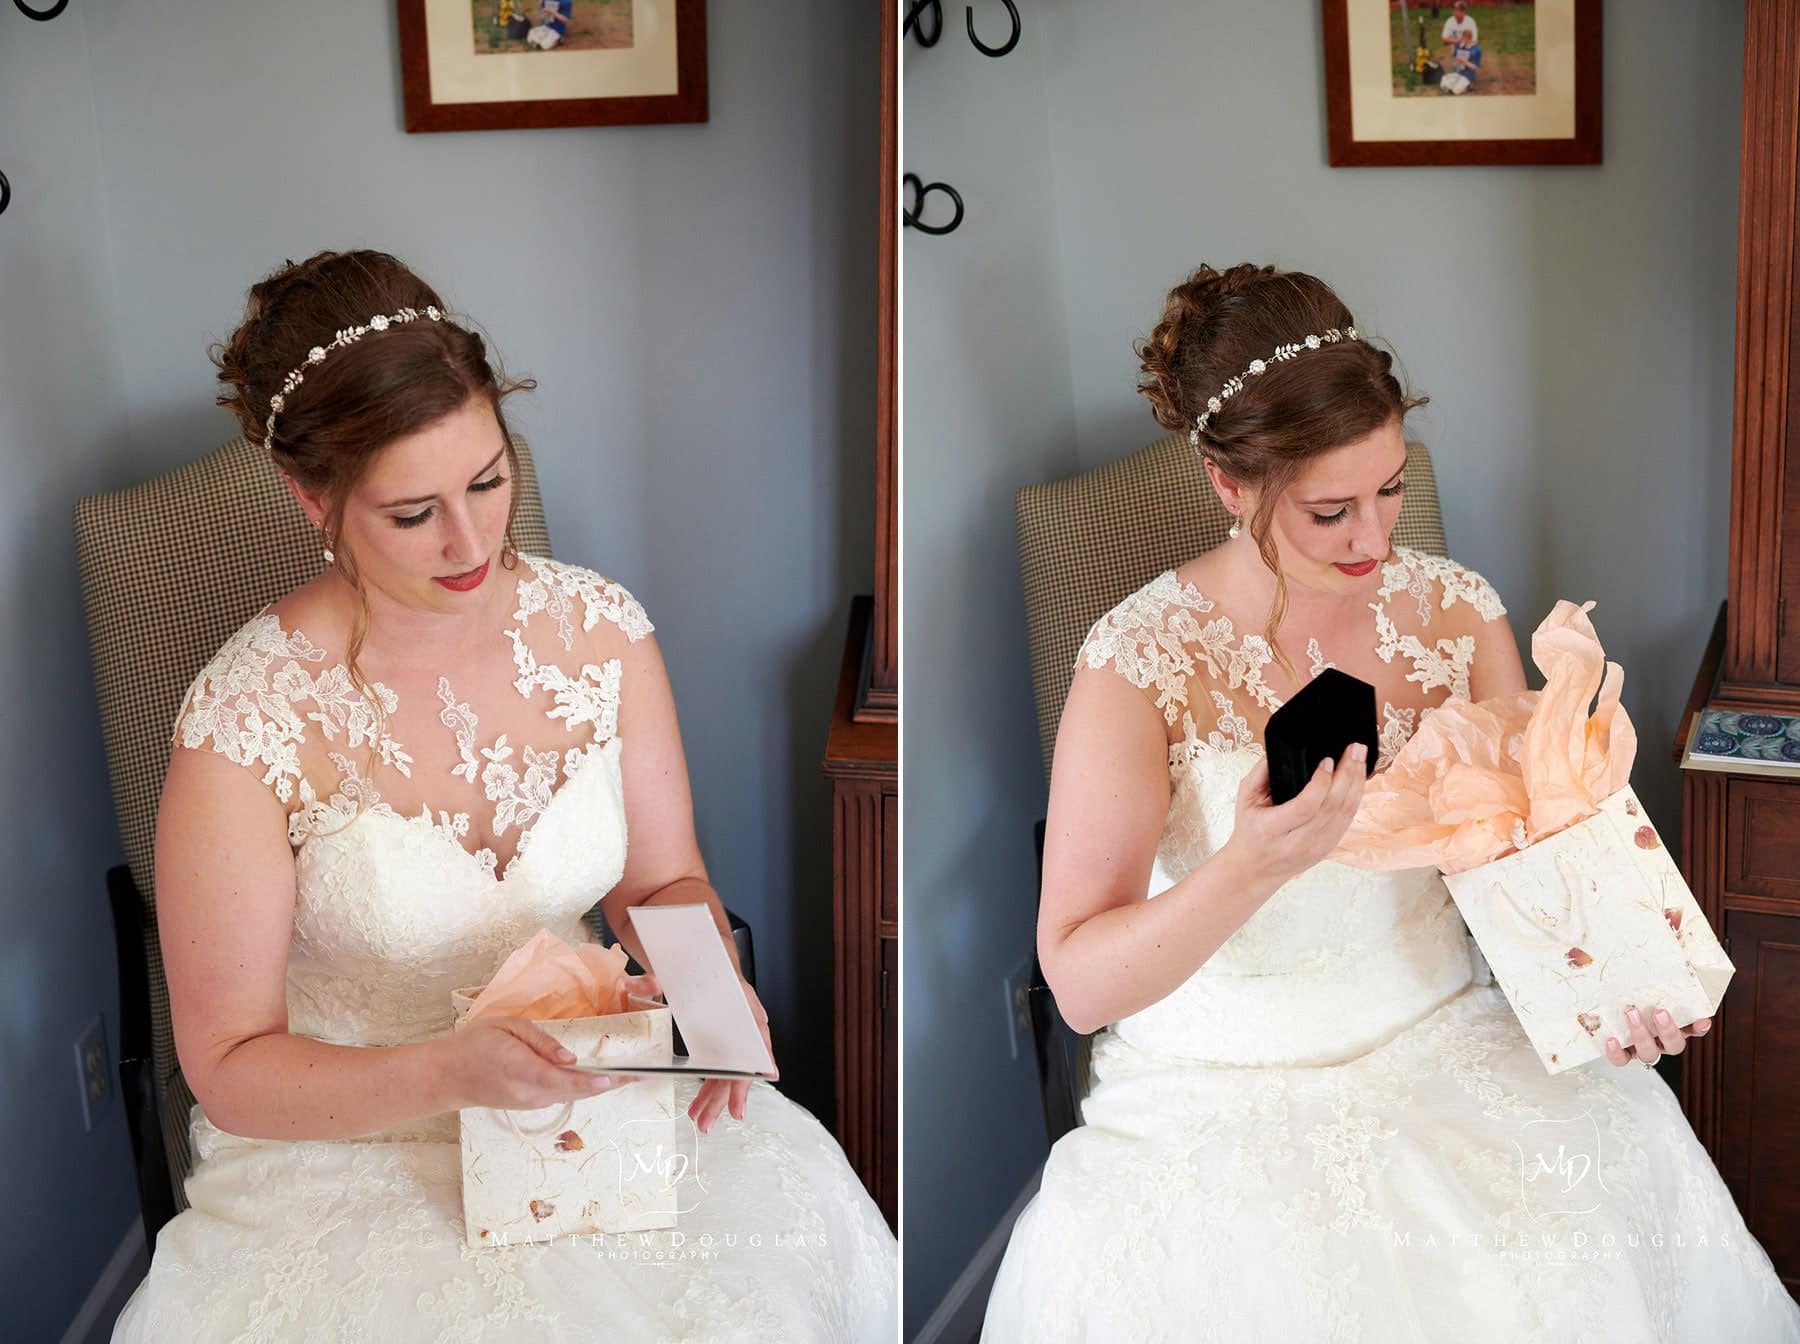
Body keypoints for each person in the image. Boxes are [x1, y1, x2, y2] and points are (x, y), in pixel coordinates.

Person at [980, 263, 1800, 1341]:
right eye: (1330, 510)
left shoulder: (1457, 615)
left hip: (1447, 1035)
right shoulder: (1136, 665)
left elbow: (1536, 856)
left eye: (1391, 490)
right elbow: (1080, 986)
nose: (1375, 542)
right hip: (1222, 1090)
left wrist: (1615, 984)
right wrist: (1251, 865)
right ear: (1232, 488)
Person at [112, 249, 897, 1341]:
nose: (474, 541)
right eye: (412, 512)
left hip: (593, 1093)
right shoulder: (246, 722)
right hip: (351, 1152)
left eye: (488, 481)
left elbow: (662, 877)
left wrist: (713, 1009)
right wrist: (444, 1073)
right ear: (313, 498)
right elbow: (232, 1068)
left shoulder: (602, 634)